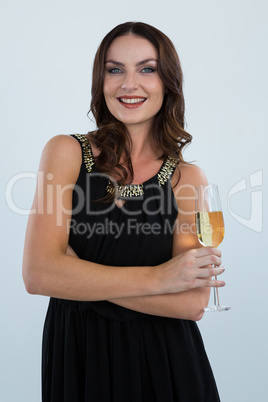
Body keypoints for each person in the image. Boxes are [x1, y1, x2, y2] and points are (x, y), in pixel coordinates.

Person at [23, 21, 225, 401]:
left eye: (146, 69)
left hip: (168, 366)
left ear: (167, 82)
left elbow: (191, 303)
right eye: (115, 69)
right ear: (101, 81)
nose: (128, 84)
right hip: (80, 360)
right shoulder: (65, 152)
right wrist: (158, 279)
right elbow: (38, 275)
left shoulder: (188, 178)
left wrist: (76, 273)